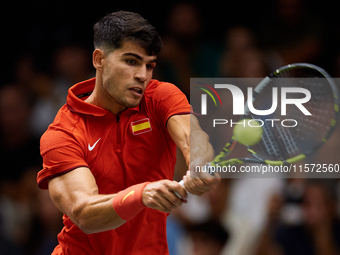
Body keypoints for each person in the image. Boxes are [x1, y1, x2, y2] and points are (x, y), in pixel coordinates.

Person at [36, 11, 219, 255]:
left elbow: (191, 136)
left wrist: (199, 162)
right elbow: (84, 212)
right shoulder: (64, 133)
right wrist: (141, 195)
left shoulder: (160, 97)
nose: (142, 75)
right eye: (131, 61)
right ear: (99, 60)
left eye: (149, 65)